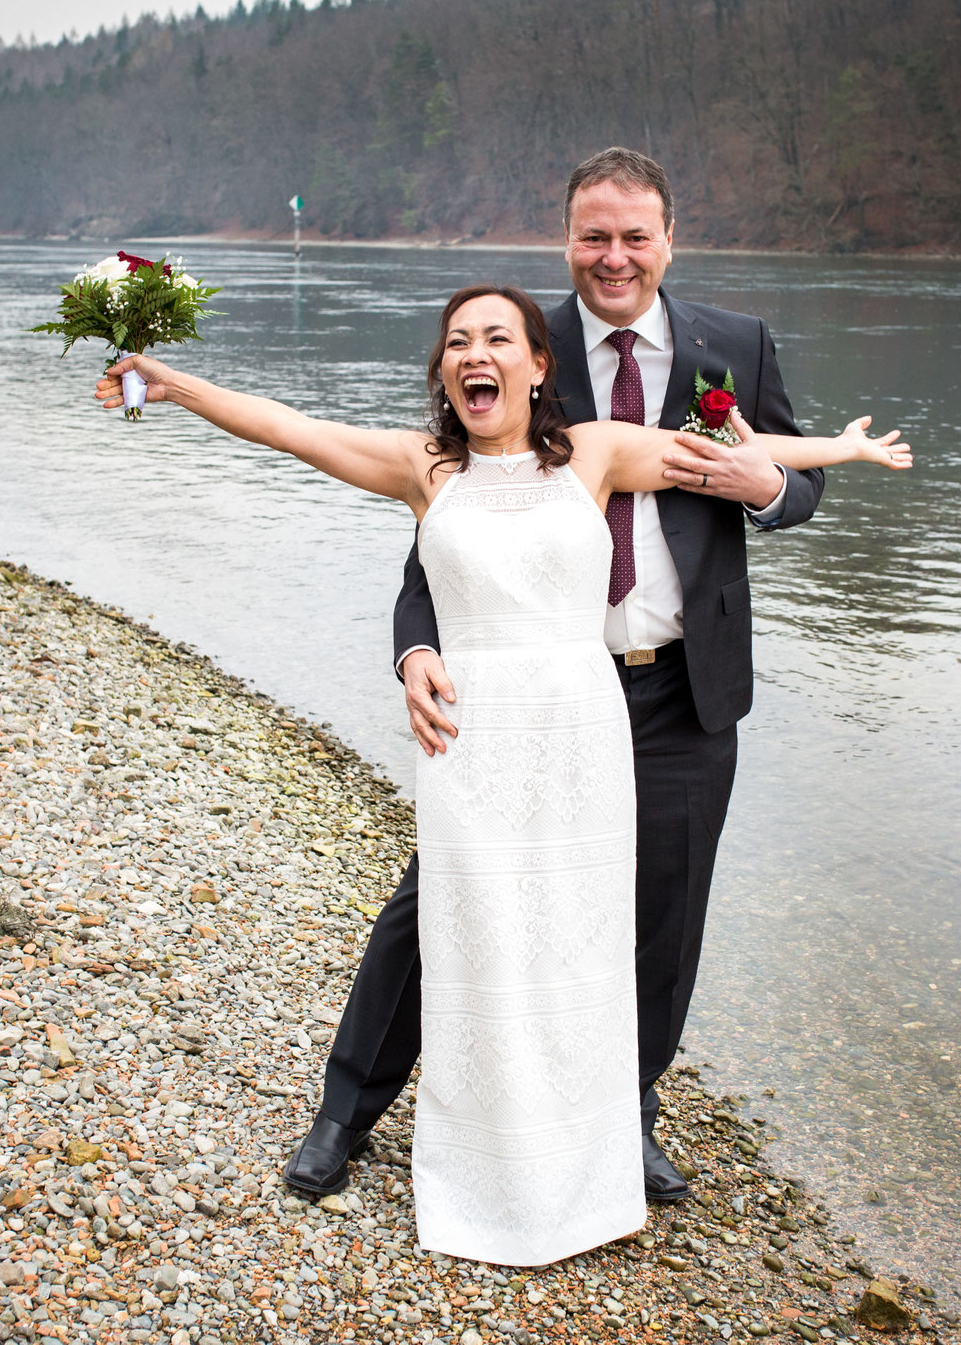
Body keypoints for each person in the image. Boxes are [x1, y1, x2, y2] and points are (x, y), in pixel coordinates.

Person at [97, 283, 905, 1265]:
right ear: (446, 370)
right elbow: (287, 428)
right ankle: (442, 1141)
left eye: (496, 340)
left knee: (579, 936)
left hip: (582, 732)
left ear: (534, 366)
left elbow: (729, 455)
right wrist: (170, 383)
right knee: (464, 925)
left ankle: (582, 1151)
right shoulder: (420, 465)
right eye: (456, 342)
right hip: (472, 742)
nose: (474, 355)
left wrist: (841, 452)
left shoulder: (599, 451)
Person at [288, 148, 884, 1208]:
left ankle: (623, 1118)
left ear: (668, 240)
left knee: (661, 911)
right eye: (592, 236)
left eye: (633, 235)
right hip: (523, 694)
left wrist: (765, 491)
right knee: (438, 900)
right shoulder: (515, 340)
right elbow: (439, 534)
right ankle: (347, 1108)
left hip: (677, 690)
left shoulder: (731, 346)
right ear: (565, 241)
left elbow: (788, 476)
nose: (613, 257)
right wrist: (416, 651)